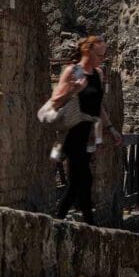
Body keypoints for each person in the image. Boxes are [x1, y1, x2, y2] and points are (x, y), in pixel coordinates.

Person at [53, 35, 122, 225]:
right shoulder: (72, 72)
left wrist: (110, 128)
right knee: (82, 179)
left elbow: (98, 106)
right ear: (87, 51)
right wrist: (73, 90)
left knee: (81, 181)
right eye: (99, 54)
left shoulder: (98, 74)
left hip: (88, 133)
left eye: (104, 55)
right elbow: (56, 100)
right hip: (73, 130)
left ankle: (74, 223)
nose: (102, 58)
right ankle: (77, 223)